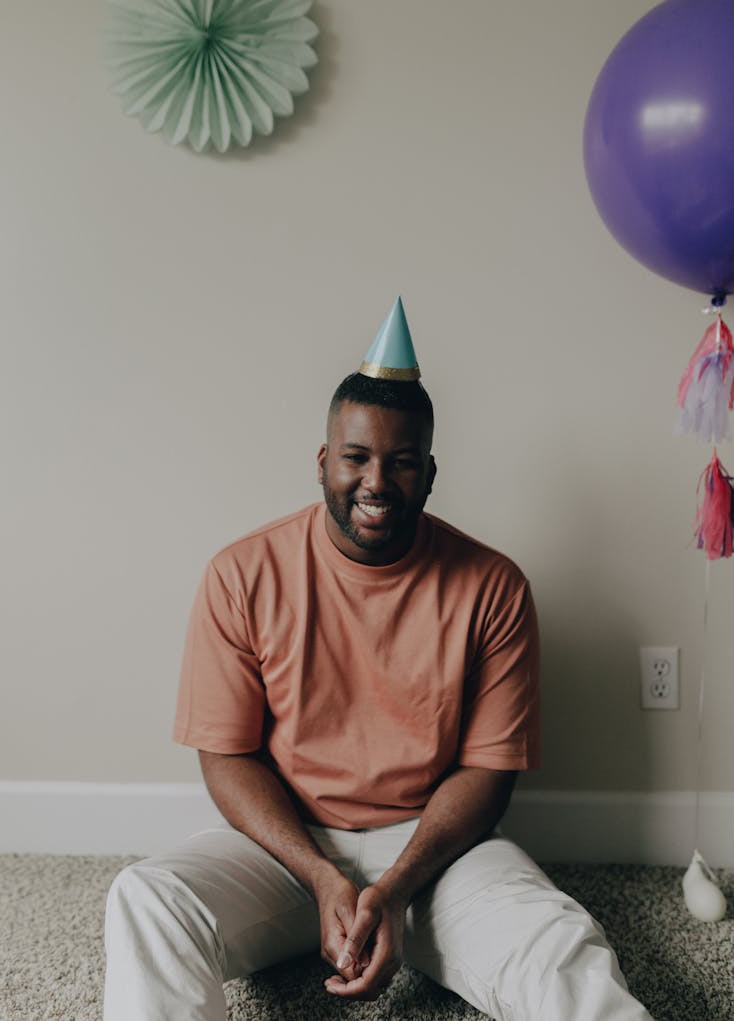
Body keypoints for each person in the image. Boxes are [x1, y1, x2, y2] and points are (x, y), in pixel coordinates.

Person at [103, 299, 654, 1020]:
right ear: (324, 461)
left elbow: (488, 775)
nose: (375, 481)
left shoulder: (494, 586)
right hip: (284, 847)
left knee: (557, 939)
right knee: (145, 898)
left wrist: (393, 886)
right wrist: (319, 872)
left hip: (433, 855)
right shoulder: (241, 573)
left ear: (429, 473)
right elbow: (226, 757)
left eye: (399, 462)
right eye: (357, 458)